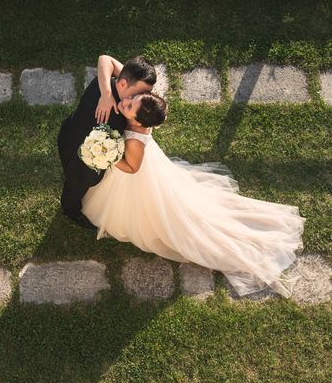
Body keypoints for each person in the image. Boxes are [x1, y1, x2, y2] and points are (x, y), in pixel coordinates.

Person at [81, 92, 305, 298]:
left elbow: (131, 168)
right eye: (133, 99)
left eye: (130, 105)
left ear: (138, 122)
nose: (125, 102)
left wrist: (108, 156)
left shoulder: (135, 142)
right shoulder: (142, 119)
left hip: (137, 177)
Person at [58, 55, 156, 228]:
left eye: (146, 94)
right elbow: (105, 59)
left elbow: (106, 60)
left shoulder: (111, 84)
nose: (144, 98)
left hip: (71, 132)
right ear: (123, 83)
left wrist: (106, 93)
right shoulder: (116, 112)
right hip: (82, 160)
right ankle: (70, 210)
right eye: (139, 94)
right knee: (75, 186)